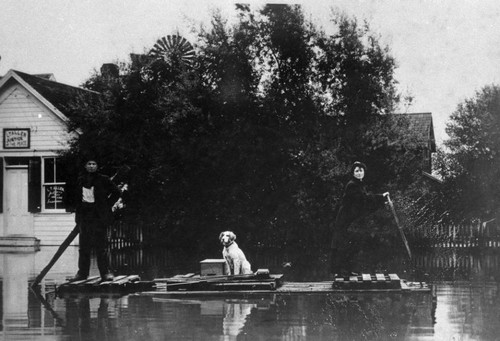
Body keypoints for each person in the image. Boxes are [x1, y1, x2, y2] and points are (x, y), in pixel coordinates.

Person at [330, 161, 389, 276]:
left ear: (364, 172)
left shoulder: (359, 184)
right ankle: (340, 272)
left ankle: (346, 270)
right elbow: (364, 199)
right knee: (343, 244)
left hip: (351, 219)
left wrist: (381, 200)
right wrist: (381, 197)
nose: (359, 173)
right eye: (356, 171)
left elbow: (365, 201)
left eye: (361, 170)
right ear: (353, 173)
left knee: (350, 244)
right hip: (345, 219)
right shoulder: (352, 185)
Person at [69, 157, 124, 282]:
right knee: (84, 247)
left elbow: (117, 192)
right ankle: (82, 273)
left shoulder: (103, 179)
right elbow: (74, 197)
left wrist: (106, 205)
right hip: (84, 215)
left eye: (94, 163)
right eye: (89, 163)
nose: (92, 166)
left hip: (98, 216)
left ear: (97, 166)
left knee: (101, 246)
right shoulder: (80, 180)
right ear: (85, 166)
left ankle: (105, 273)